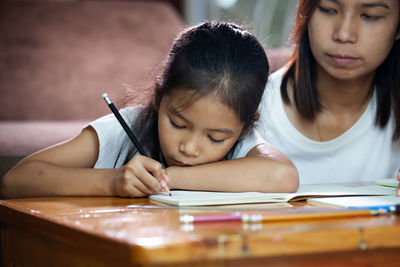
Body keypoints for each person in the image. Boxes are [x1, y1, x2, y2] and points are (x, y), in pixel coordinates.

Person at [1, 21, 299, 199]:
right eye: (178, 124)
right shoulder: (126, 126)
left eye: (215, 139)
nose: (190, 147)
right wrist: (112, 181)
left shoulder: (243, 144)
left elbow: (282, 177)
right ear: (159, 98)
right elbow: (17, 179)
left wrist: (169, 178)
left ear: (245, 128)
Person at [257, 0, 400, 193]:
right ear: (305, 13)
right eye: (328, 10)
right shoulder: (253, 108)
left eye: (370, 16)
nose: (343, 34)